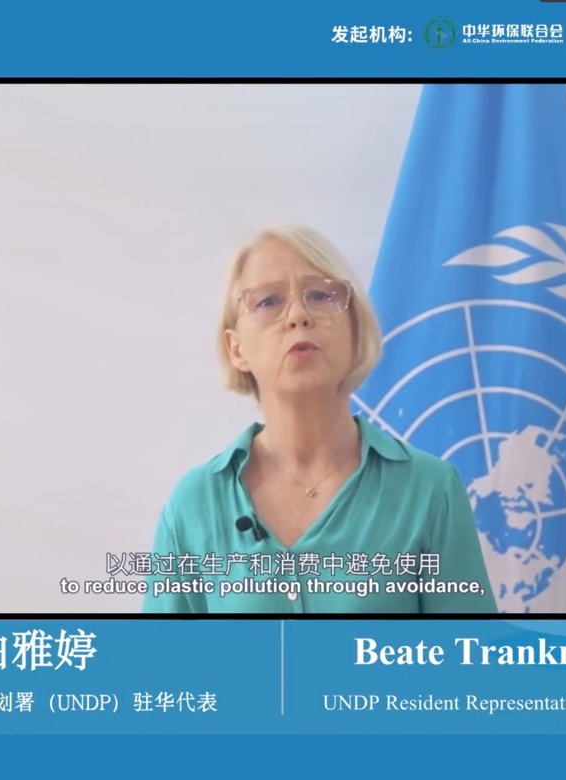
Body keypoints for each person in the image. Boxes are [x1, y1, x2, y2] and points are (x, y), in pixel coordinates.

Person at [142, 225, 497, 614]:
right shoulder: (194, 505)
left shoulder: (429, 491)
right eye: (268, 301)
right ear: (236, 348)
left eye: (320, 296)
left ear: (355, 330)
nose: (298, 315)